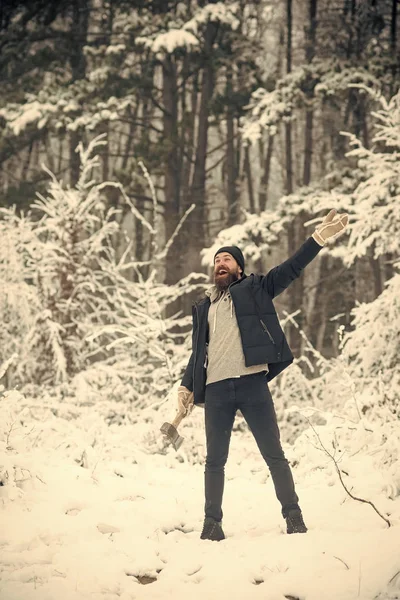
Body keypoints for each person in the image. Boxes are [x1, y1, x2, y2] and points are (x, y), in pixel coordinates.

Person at [179, 209, 349, 541]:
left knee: (274, 454)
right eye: (216, 260)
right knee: (214, 461)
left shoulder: (255, 288)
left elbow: (290, 269)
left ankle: (293, 514)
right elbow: (198, 352)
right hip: (215, 390)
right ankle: (212, 523)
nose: (220, 263)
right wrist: (186, 387)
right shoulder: (203, 307)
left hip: (251, 383)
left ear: (238, 267)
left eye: (226, 258)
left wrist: (317, 240)